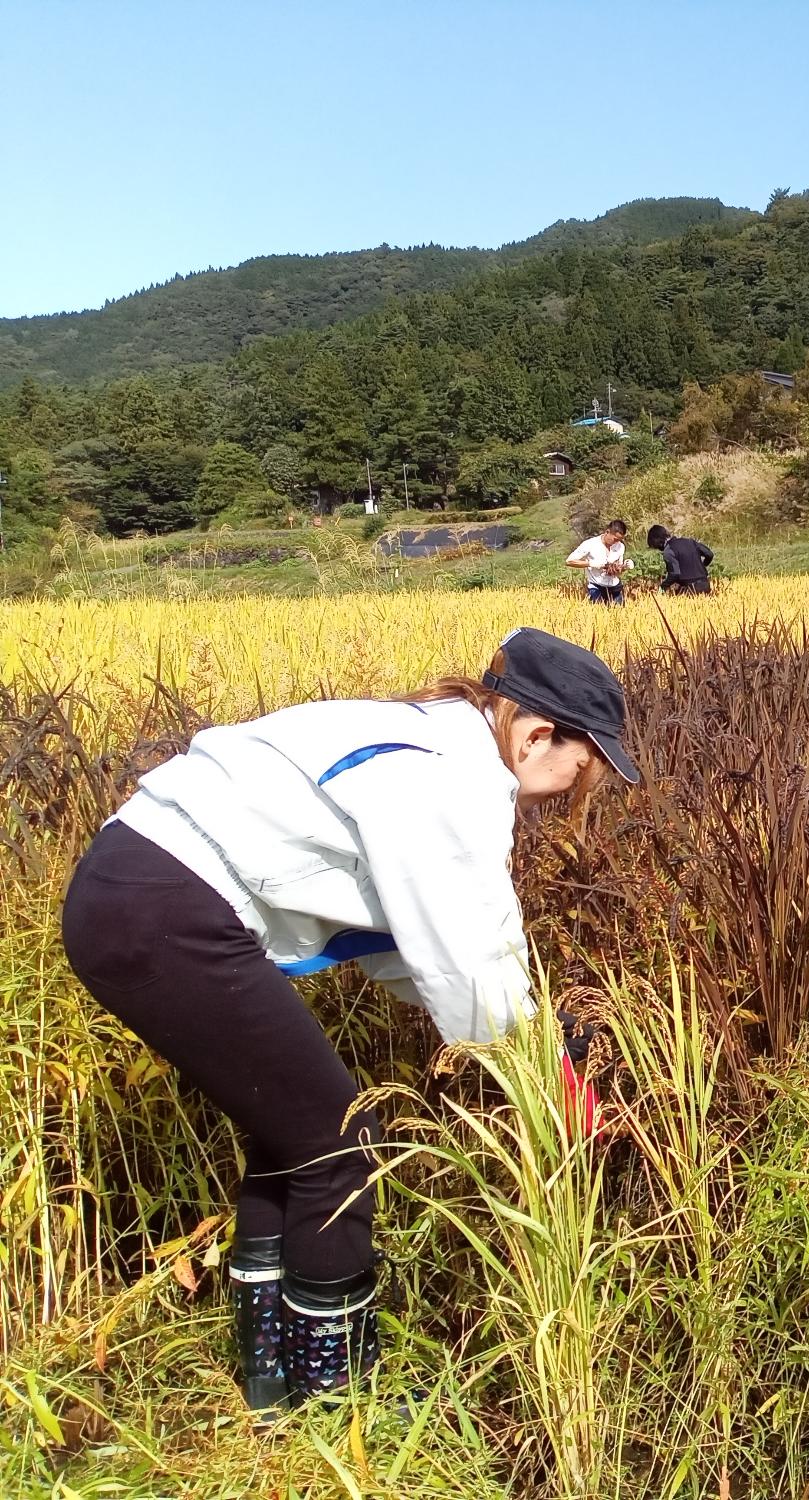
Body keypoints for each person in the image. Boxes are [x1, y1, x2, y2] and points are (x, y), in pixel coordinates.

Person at [61, 628, 639, 1413]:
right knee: (340, 1149)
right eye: (579, 769)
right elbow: (470, 961)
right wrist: (541, 1061)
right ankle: (337, 1402)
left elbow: (410, 949)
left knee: (294, 1137)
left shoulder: (423, 741)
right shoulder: (449, 779)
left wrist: (529, 1031)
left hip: (136, 891)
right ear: (538, 734)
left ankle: (270, 1380)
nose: (569, 792)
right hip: (164, 910)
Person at [567, 519, 629, 604]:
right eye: (615, 539)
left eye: (619, 540)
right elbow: (570, 561)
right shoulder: (590, 544)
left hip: (614, 586)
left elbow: (619, 569)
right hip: (596, 587)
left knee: (620, 614)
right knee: (598, 612)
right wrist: (591, 564)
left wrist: (623, 567)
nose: (617, 542)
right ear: (607, 532)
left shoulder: (621, 546)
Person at [646, 522, 716, 595]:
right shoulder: (690, 542)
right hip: (705, 585)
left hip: (690, 589)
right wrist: (702, 565)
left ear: (658, 542)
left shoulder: (668, 551)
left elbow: (674, 574)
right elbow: (709, 554)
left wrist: (663, 587)